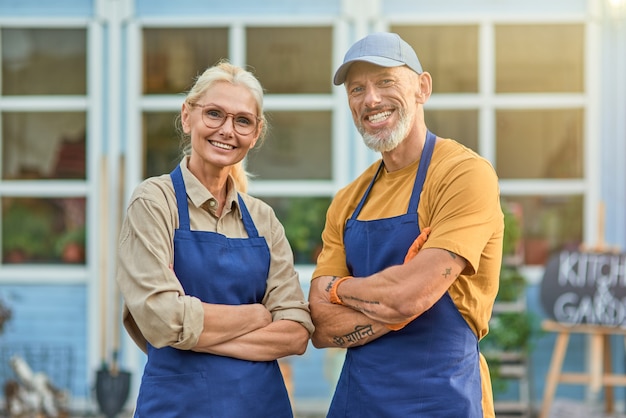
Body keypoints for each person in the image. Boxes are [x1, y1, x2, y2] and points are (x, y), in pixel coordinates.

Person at [308, 32, 504, 417]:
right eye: (357, 89)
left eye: (385, 82)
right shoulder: (347, 201)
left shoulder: (462, 174)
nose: (371, 99)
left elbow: (409, 296)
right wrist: (398, 300)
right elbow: (320, 326)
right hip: (358, 401)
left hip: (443, 398)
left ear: (422, 88)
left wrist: (339, 288)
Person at [116, 60, 313, 417]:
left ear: (256, 133)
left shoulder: (263, 219)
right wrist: (255, 315)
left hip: (261, 407)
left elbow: (296, 332)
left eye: (242, 120)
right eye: (214, 114)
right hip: (178, 407)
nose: (227, 130)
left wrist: (193, 336)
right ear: (187, 116)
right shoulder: (154, 202)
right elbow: (161, 318)